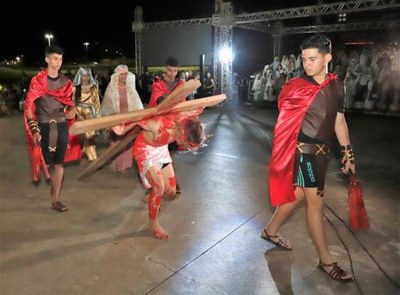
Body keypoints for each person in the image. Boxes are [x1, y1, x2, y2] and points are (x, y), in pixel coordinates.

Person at [261, 34, 355, 282]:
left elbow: (339, 121)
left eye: (312, 59)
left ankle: (270, 231)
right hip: (304, 153)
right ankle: (326, 261)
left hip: (323, 155)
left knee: (299, 195)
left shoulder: (337, 86)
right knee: (316, 204)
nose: (307, 64)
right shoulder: (296, 87)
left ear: (327, 58)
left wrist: (347, 153)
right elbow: (286, 120)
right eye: (304, 59)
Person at [113, 107, 205, 240]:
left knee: (171, 192)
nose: (182, 147)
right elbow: (139, 118)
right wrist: (123, 129)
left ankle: (152, 195)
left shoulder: (186, 117)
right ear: (181, 133)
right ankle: (153, 224)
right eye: (184, 144)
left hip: (161, 149)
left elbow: (197, 108)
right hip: (145, 149)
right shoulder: (157, 126)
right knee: (159, 186)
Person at [24, 45, 81, 212]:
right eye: (55, 58)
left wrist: (73, 110)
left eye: (61, 59)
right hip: (42, 126)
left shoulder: (66, 82)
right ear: (47, 59)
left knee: (59, 164)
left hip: (62, 125)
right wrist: (34, 130)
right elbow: (29, 108)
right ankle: (52, 186)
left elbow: (69, 108)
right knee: (47, 164)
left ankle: (55, 200)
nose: (59, 62)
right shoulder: (37, 81)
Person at [148, 57, 185, 193]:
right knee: (156, 155)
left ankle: (172, 183)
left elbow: (183, 102)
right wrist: (166, 101)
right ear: (165, 68)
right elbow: (156, 102)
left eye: (175, 71)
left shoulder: (180, 84)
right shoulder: (158, 84)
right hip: (160, 125)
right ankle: (156, 183)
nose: (172, 73)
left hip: (173, 125)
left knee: (170, 155)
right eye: (170, 70)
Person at [100, 65, 144, 173]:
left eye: (126, 74)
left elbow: (137, 104)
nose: (124, 76)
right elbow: (106, 106)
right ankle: (117, 164)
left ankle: (125, 166)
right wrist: (112, 118)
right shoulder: (111, 89)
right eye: (121, 74)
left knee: (127, 142)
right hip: (116, 119)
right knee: (116, 142)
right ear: (117, 76)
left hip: (128, 119)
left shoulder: (130, 88)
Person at [72, 67, 101, 162]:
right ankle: (81, 152)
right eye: (84, 75)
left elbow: (97, 102)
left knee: (90, 134)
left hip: (90, 113)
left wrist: (97, 115)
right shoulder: (75, 89)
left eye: (88, 75)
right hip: (78, 113)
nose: (86, 78)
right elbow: (72, 102)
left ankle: (92, 156)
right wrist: (76, 114)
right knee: (80, 135)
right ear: (80, 76)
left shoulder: (94, 87)